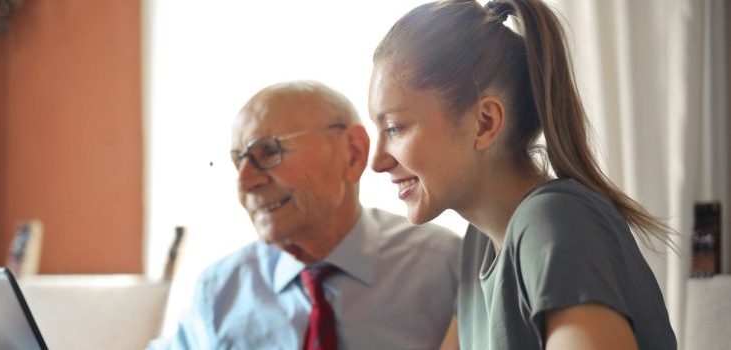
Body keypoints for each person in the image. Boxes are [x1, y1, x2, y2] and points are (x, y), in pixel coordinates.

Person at [367, 0, 677, 349]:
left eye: (394, 127)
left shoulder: (554, 222)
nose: (377, 161)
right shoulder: (480, 243)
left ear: (484, 123)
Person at [147, 80, 461, 350]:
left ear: (352, 153)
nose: (245, 181)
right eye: (238, 161)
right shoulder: (220, 290)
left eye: (268, 152)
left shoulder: (446, 267)